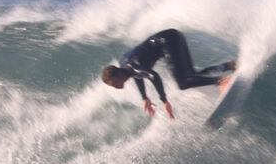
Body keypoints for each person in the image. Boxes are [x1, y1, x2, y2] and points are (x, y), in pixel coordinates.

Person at [101, 28, 236, 119]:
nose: (116, 87)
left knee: (183, 83)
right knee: (192, 76)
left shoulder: (132, 68)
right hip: (172, 36)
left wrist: (164, 100)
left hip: (169, 41)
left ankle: (220, 81)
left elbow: (153, 75)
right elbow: (137, 75)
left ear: (118, 75)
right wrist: (144, 97)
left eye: (114, 83)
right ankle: (228, 65)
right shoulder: (125, 66)